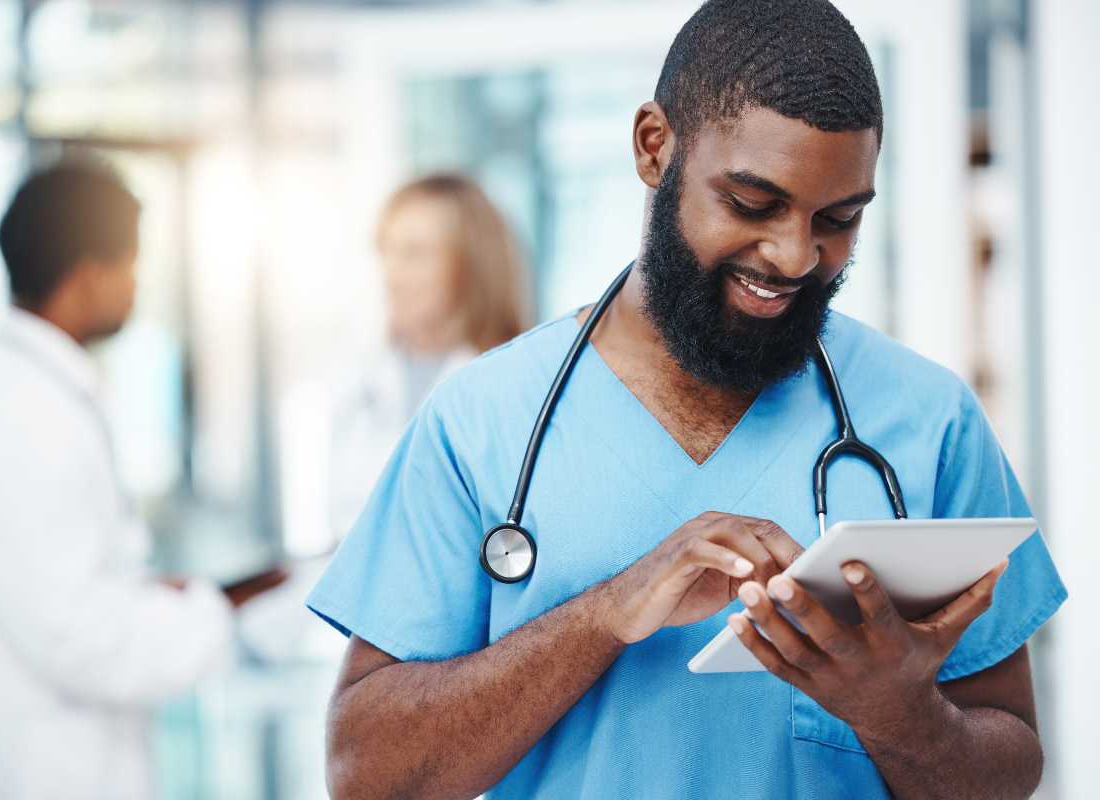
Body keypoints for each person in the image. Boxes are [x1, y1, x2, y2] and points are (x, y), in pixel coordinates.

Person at [306, 2, 1066, 798]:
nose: (794, 255)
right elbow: (365, 774)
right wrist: (603, 615)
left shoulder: (931, 422)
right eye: (752, 203)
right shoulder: (481, 422)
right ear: (653, 146)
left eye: (838, 219)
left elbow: (1009, 770)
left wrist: (897, 713)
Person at [0, 161, 286, 799]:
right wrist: (214, 618)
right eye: (130, 265)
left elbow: (44, 584)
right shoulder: (27, 417)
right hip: (27, 776)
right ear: (88, 274)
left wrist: (147, 595)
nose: (135, 286)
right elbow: (75, 636)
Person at [327, 173, 531, 540]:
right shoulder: (362, 379)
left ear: (471, 266)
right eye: (385, 251)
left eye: (414, 254)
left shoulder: (516, 391)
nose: (391, 275)